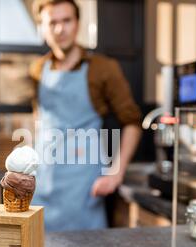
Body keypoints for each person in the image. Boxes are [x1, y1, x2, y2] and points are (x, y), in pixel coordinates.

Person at [29, 0, 142, 231]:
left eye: (67, 20)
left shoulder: (103, 68)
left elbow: (132, 122)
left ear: (77, 23)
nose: (60, 29)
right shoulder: (37, 69)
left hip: (83, 187)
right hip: (43, 181)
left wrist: (115, 174)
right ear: (43, 27)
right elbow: (40, 119)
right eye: (53, 23)